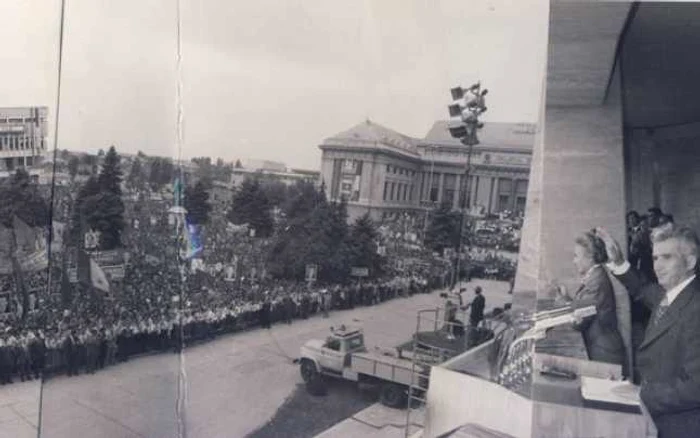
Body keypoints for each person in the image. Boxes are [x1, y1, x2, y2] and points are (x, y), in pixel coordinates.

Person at [598, 225, 700, 437]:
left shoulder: (695, 308)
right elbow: (642, 288)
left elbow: (696, 387)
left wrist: (641, 394)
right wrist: (618, 262)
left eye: (667, 257)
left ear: (690, 262)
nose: (658, 267)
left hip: (680, 427)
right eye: (655, 258)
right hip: (658, 419)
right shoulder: (672, 294)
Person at [557, 231, 626, 367]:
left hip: (604, 354)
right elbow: (583, 307)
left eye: (576, 256)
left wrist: (563, 302)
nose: (574, 261)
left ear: (590, 257)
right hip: (601, 349)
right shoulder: (595, 276)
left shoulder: (597, 282)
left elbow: (580, 321)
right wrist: (566, 299)